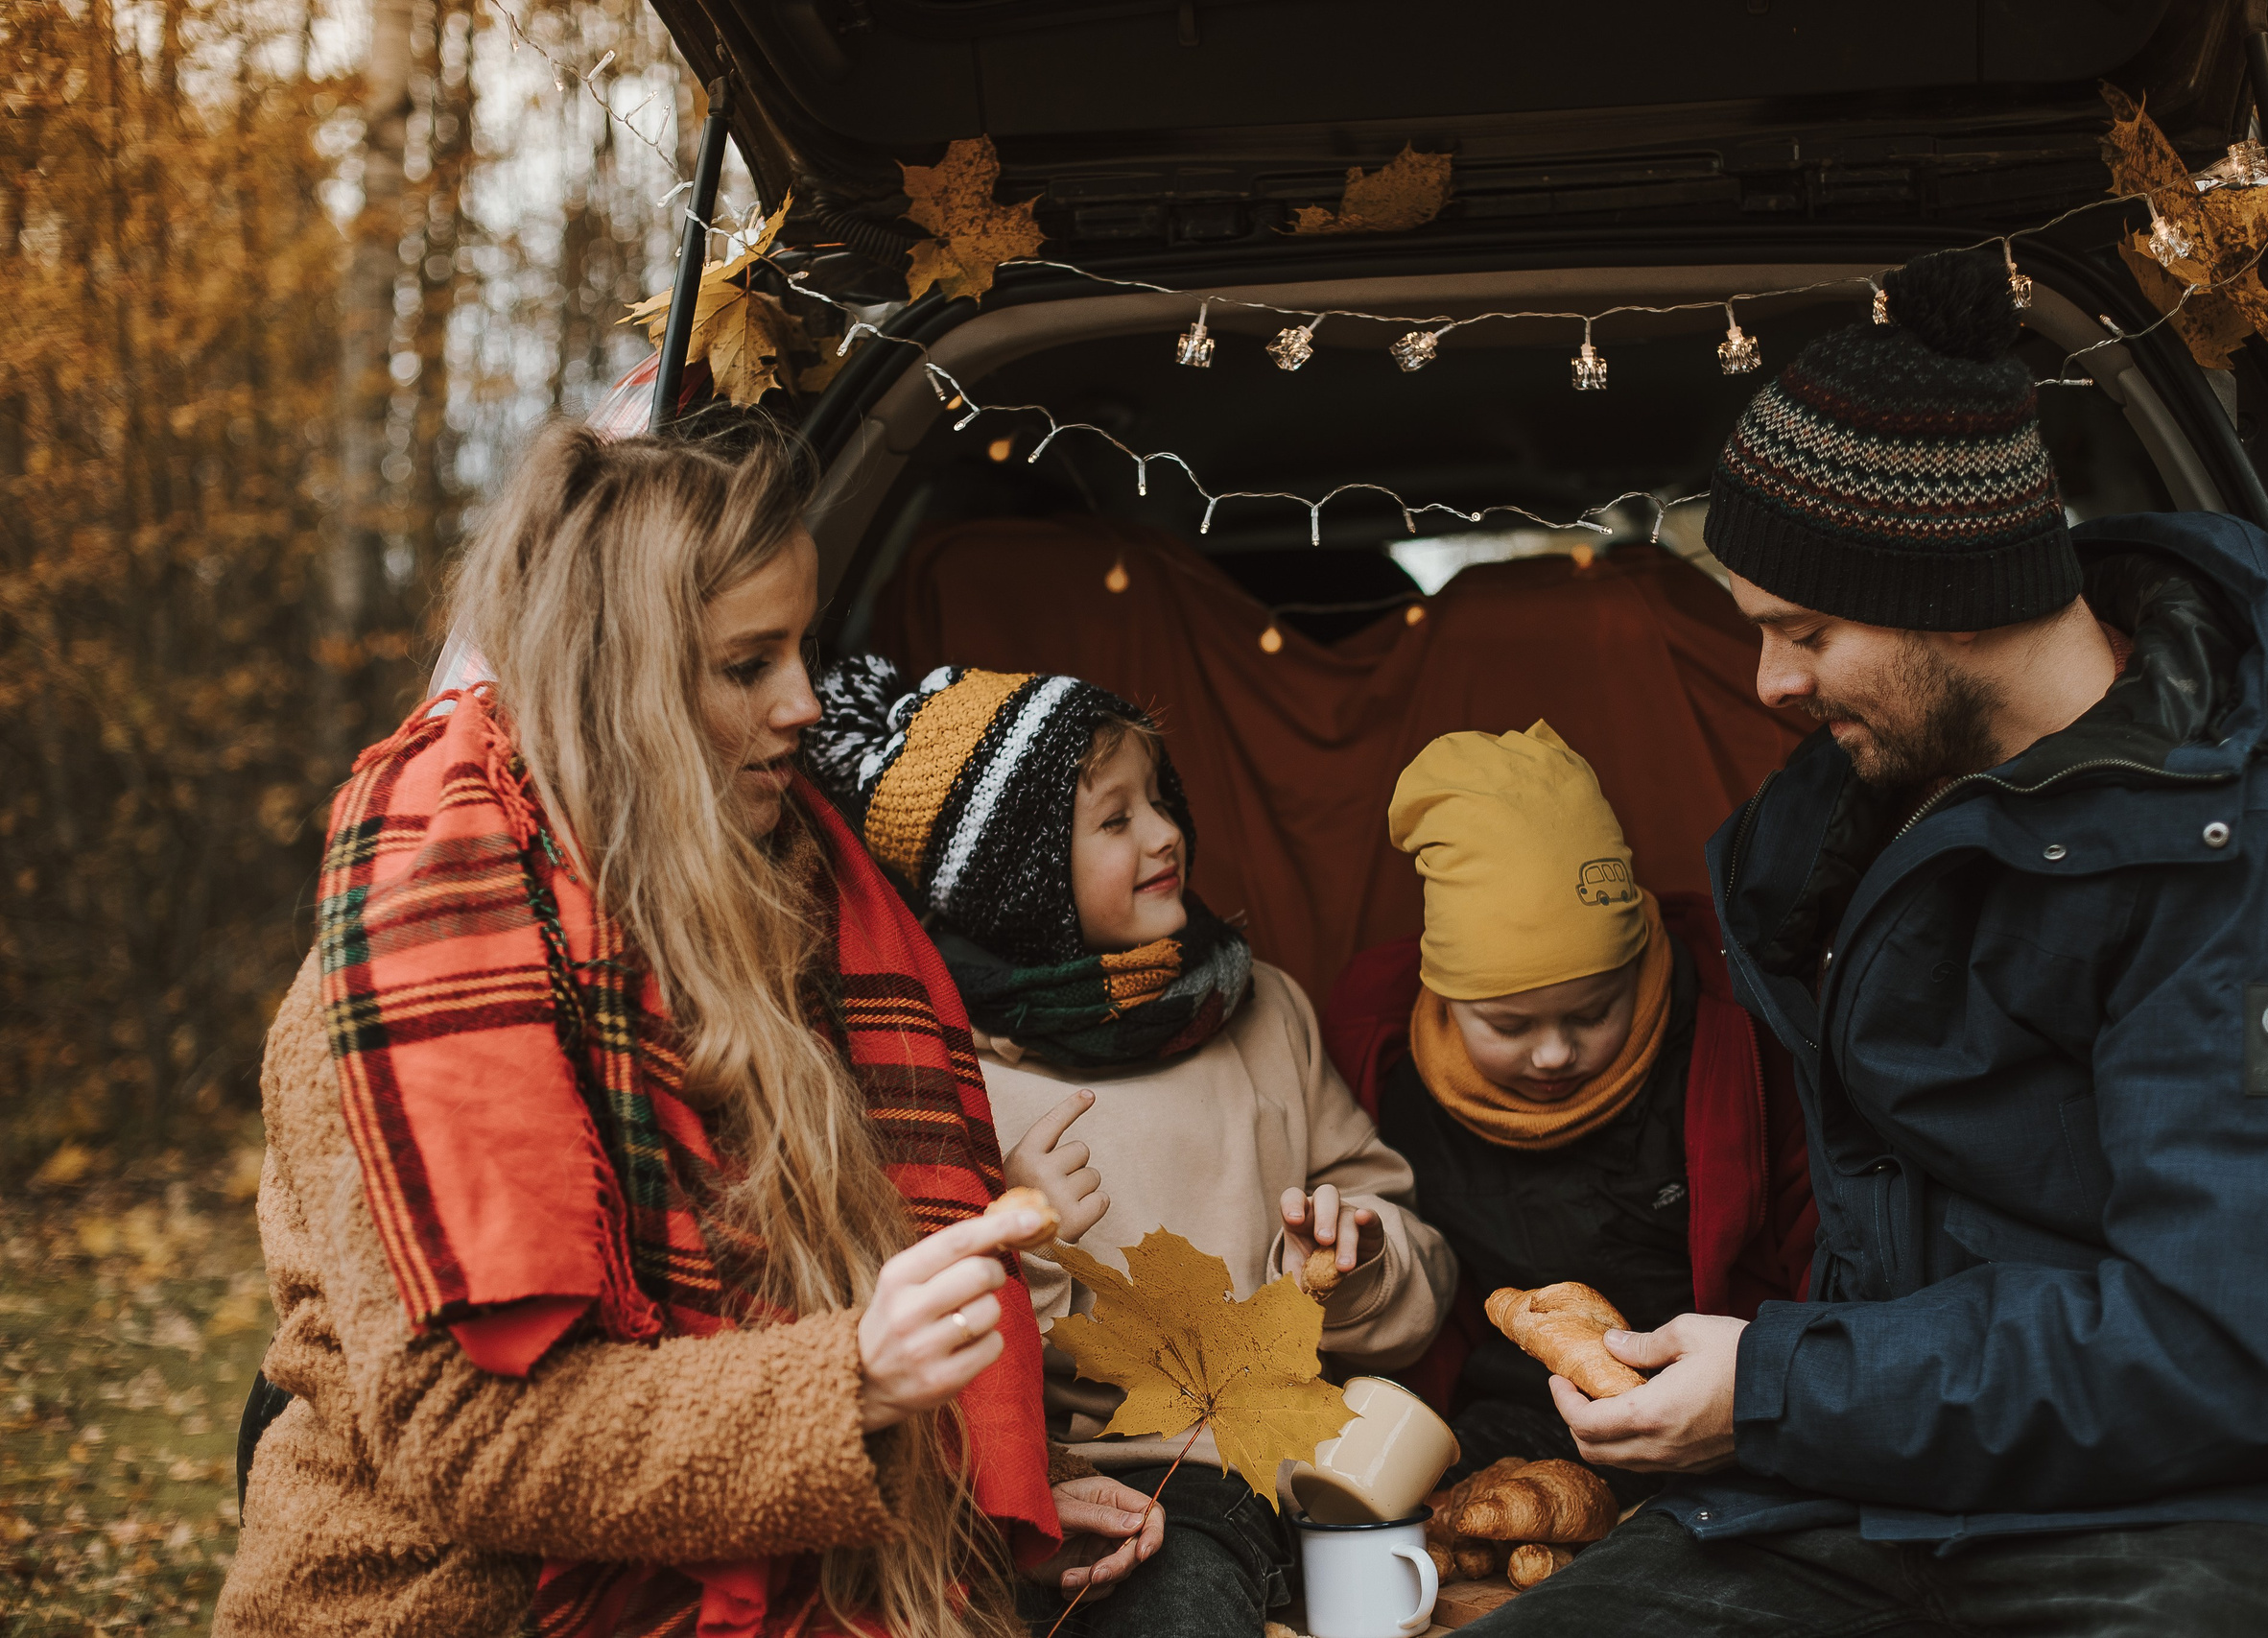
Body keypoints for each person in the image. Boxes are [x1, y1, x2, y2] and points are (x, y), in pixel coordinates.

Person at [1471, 246, 2268, 1637]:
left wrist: (1774, 1387)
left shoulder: (2267, 868)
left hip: (2236, 1510)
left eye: (1803, 629)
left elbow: (2246, 1341)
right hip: (1876, 1492)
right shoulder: (1843, 828)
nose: (1770, 683)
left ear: (1959, 592)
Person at [216, 426, 1164, 1638]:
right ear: (614, 684)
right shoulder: (423, 966)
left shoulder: (785, 904)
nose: (803, 702)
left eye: (803, 648)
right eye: (744, 665)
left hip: (801, 1563)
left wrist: (964, 1509)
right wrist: (856, 1381)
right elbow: (472, 1443)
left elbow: (805, 1307)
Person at [810, 656, 1457, 1638]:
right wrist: (1015, 1240)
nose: (1164, 833)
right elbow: (905, 1345)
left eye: (1159, 799)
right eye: (1114, 820)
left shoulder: (1262, 1008)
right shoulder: (946, 1071)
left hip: (1326, 1469)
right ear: (1016, 886)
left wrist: (1359, 1263)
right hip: (1134, 1490)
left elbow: (1411, 1247)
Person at [1371, 721, 1699, 1510]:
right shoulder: (1390, 1072)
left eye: (1593, 1012)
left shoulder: (1718, 1042)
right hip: (1513, 1414)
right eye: (1510, 1027)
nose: (1554, 1054)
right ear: (1445, 1000)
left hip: (1708, 1410)